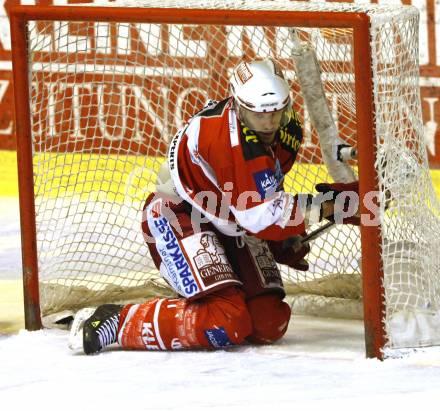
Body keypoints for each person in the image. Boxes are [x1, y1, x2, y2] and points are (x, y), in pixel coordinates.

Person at [68, 59, 359, 354]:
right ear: (238, 105)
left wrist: (282, 239)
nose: (269, 123)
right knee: (227, 321)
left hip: (228, 219)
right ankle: (118, 321)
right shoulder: (226, 142)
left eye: (276, 112)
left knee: (268, 322)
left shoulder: (286, 128)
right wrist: (328, 206)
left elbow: (266, 188)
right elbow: (259, 217)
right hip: (179, 215)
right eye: (259, 114)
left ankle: (210, 295)